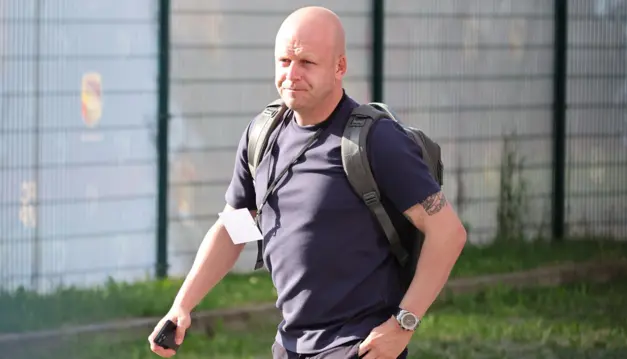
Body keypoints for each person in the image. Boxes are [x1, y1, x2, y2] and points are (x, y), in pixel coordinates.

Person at [148, 6, 467, 359]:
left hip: (358, 347)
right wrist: (182, 305)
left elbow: (447, 232)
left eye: (307, 63)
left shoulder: (376, 140)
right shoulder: (263, 136)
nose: (292, 74)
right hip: (290, 346)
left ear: (339, 67)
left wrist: (402, 325)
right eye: (284, 61)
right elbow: (235, 228)